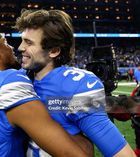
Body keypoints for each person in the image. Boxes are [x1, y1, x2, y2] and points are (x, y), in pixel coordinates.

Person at [0, 23, 88, 157]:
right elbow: (71, 154)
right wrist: (89, 119)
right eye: (5, 43)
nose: (13, 48)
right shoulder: (9, 81)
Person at [15, 9, 136, 157]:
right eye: (22, 40)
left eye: (28, 42)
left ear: (54, 51)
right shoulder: (16, 80)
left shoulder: (76, 87)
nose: (20, 47)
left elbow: (122, 154)